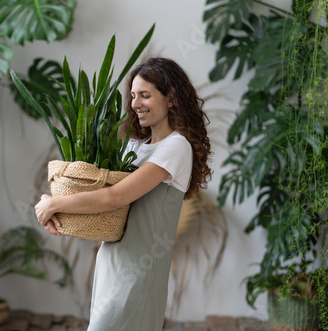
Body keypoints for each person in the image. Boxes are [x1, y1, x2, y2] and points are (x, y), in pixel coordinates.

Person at [34, 57, 212, 331]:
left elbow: (114, 197)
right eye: (132, 96)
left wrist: (55, 203)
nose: (135, 103)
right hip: (112, 262)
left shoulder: (177, 147)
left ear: (171, 98)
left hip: (139, 273)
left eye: (145, 95)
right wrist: (57, 209)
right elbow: (98, 193)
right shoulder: (135, 146)